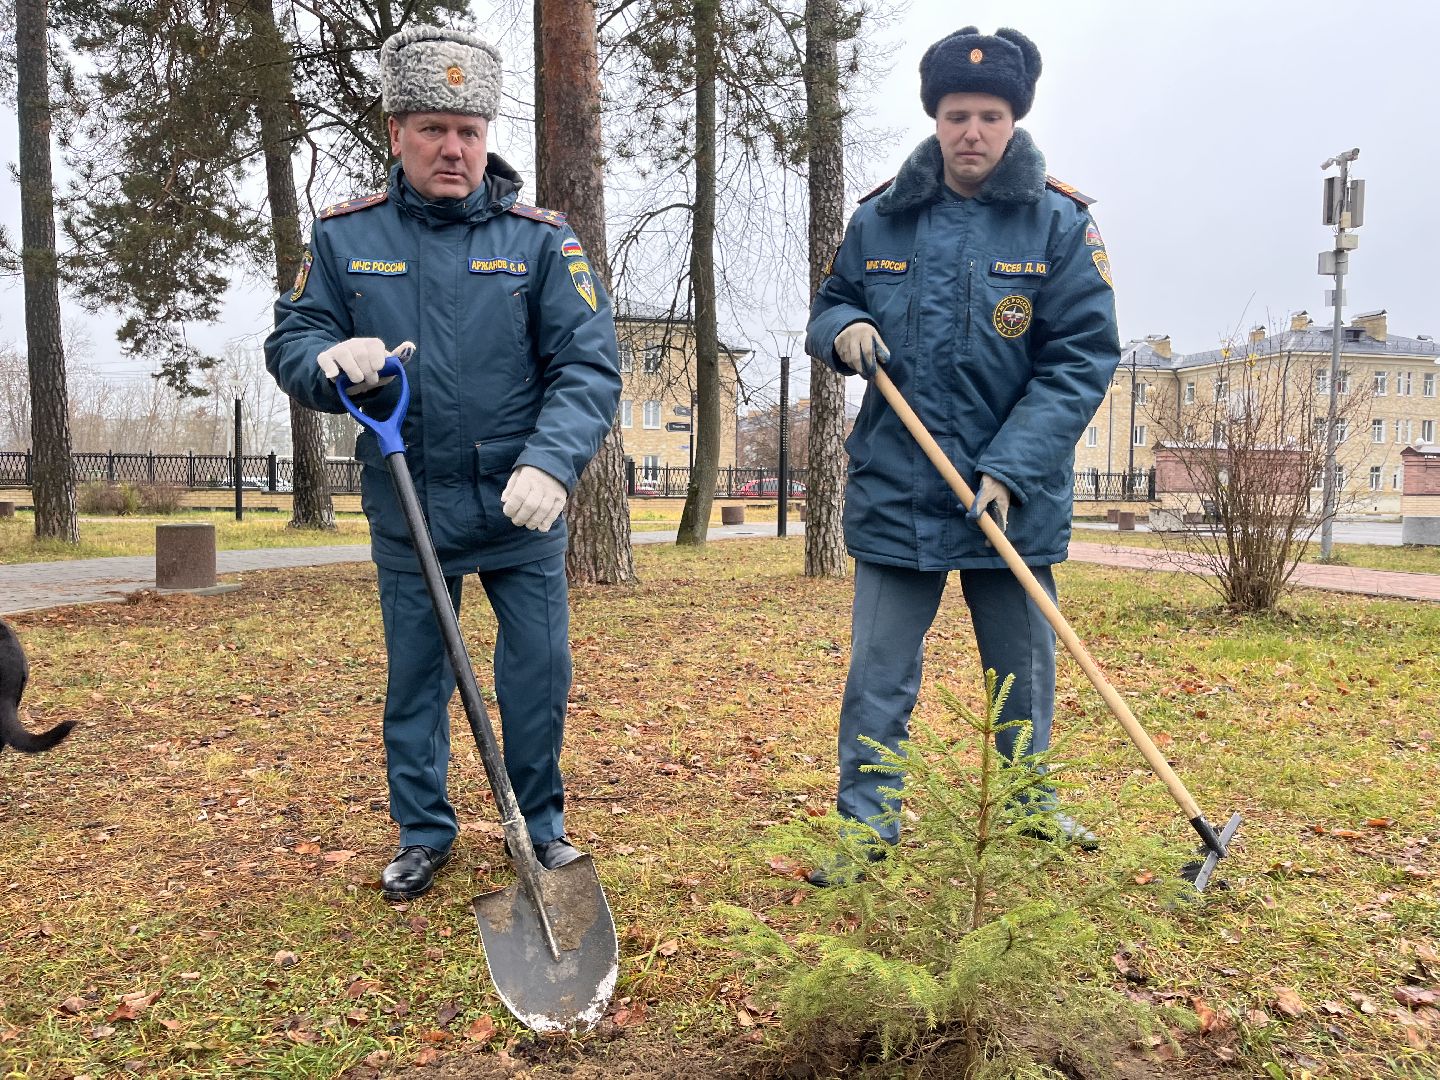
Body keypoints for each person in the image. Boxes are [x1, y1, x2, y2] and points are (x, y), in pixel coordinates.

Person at [265, 24, 621, 900]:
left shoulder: (542, 242)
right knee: (417, 682)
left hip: (519, 503)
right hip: (409, 496)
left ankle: (539, 827)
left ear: (486, 137)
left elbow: (587, 366)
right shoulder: (346, 237)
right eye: (432, 128)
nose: (453, 148)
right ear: (397, 133)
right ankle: (424, 832)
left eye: (469, 130)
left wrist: (552, 462)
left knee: (537, 676)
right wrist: (326, 361)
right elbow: (294, 336)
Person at [804, 26, 1120, 885]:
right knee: (878, 677)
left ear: (1013, 120)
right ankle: (867, 827)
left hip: (1012, 497)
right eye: (956, 116)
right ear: (935, 120)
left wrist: (1010, 467)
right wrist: (844, 328)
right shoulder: (880, 217)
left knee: (1021, 672)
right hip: (898, 490)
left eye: (989, 116)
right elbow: (830, 302)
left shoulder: (1059, 223)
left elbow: (1080, 358)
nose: (971, 132)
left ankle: (1027, 806)